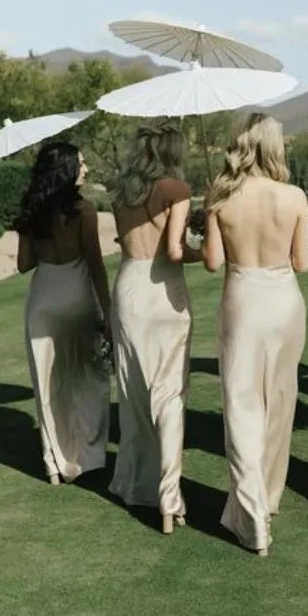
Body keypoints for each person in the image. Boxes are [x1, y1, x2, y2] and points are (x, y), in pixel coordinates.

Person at [202, 113, 308, 557]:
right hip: (284, 301)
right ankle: (266, 497)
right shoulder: (294, 196)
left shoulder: (220, 197)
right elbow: (302, 263)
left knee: (242, 407)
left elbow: (212, 262)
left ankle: (251, 518)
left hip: (243, 301)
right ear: (275, 148)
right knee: (280, 403)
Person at [109, 123, 200, 534]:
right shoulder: (176, 190)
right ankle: (169, 500)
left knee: (132, 393)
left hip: (129, 289)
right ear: (173, 152)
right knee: (170, 395)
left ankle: (135, 485)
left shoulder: (120, 189)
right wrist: (212, 248)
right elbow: (175, 251)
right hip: (165, 292)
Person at [17, 142, 110, 485]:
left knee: (47, 384)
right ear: (67, 169)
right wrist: (109, 313)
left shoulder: (32, 209)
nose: (86, 168)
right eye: (81, 163)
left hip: (43, 301)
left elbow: (24, 264)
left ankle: (53, 463)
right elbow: (96, 265)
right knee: (87, 377)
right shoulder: (84, 209)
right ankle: (88, 457)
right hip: (78, 297)